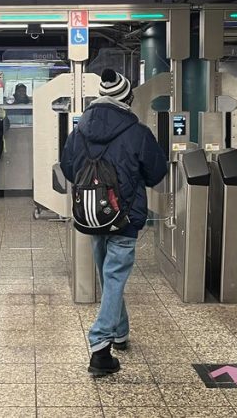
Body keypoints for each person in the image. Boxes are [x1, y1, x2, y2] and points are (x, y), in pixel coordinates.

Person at [60, 69, 168, 376]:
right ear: (126, 98)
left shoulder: (79, 131)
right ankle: (100, 346)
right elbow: (156, 173)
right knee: (115, 276)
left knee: (109, 275)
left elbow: (69, 168)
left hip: (92, 214)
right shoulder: (138, 133)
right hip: (126, 216)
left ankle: (120, 333)